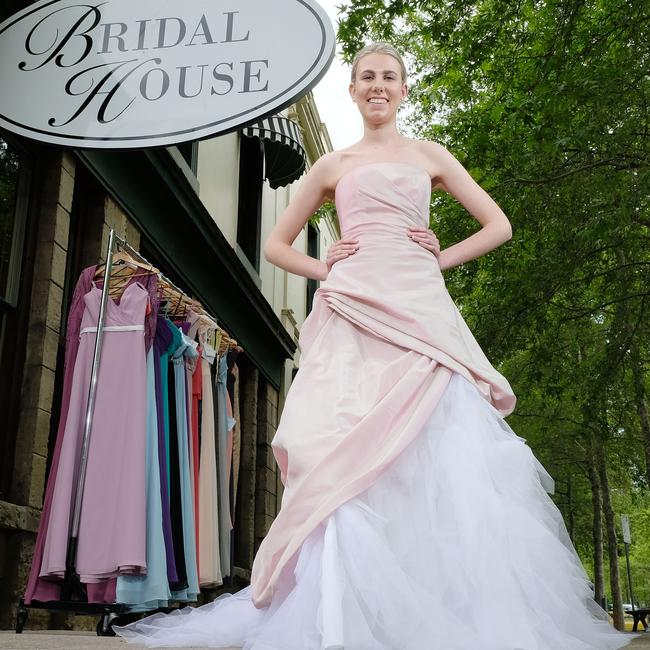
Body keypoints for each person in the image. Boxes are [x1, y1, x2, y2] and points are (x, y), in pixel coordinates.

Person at [115, 42, 632, 650]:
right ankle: (342, 610)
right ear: (354, 91)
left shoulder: (430, 154)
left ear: (404, 89)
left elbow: (499, 225)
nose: (378, 86)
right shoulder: (332, 165)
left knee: (438, 452)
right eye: (367, 78)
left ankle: (434, 607)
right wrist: (323, 266)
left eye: (389, 77)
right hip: (352, 307)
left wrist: (440, 256)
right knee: (329, 442)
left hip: (419, 313)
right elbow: (278, 246)